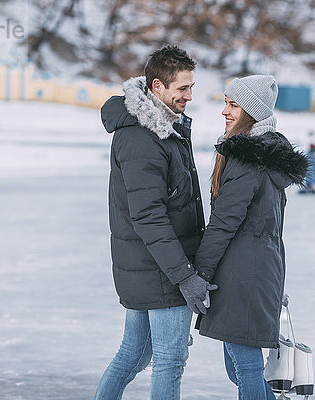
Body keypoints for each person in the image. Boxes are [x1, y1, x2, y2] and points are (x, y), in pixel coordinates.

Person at [95, 45, 217, 399]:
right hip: (161, 271)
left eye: (191, 87)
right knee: (169, 361)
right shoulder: (143, 137)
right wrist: (185, 276)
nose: (189, 96)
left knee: (133, 355)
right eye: (182, 88)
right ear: (158, 86)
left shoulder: (161, 128)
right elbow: (149, 216)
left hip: (150, 267)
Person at [193, 75, 310, 399]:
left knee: (245, 369)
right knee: (239, 368)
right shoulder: (264, 156)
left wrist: (199, 275)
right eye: (226, 103)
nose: (225, 112)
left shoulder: (249, 158)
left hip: (244, 273)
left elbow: (224, 222)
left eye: (233, 105)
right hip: (254, 269)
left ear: (251, 112)